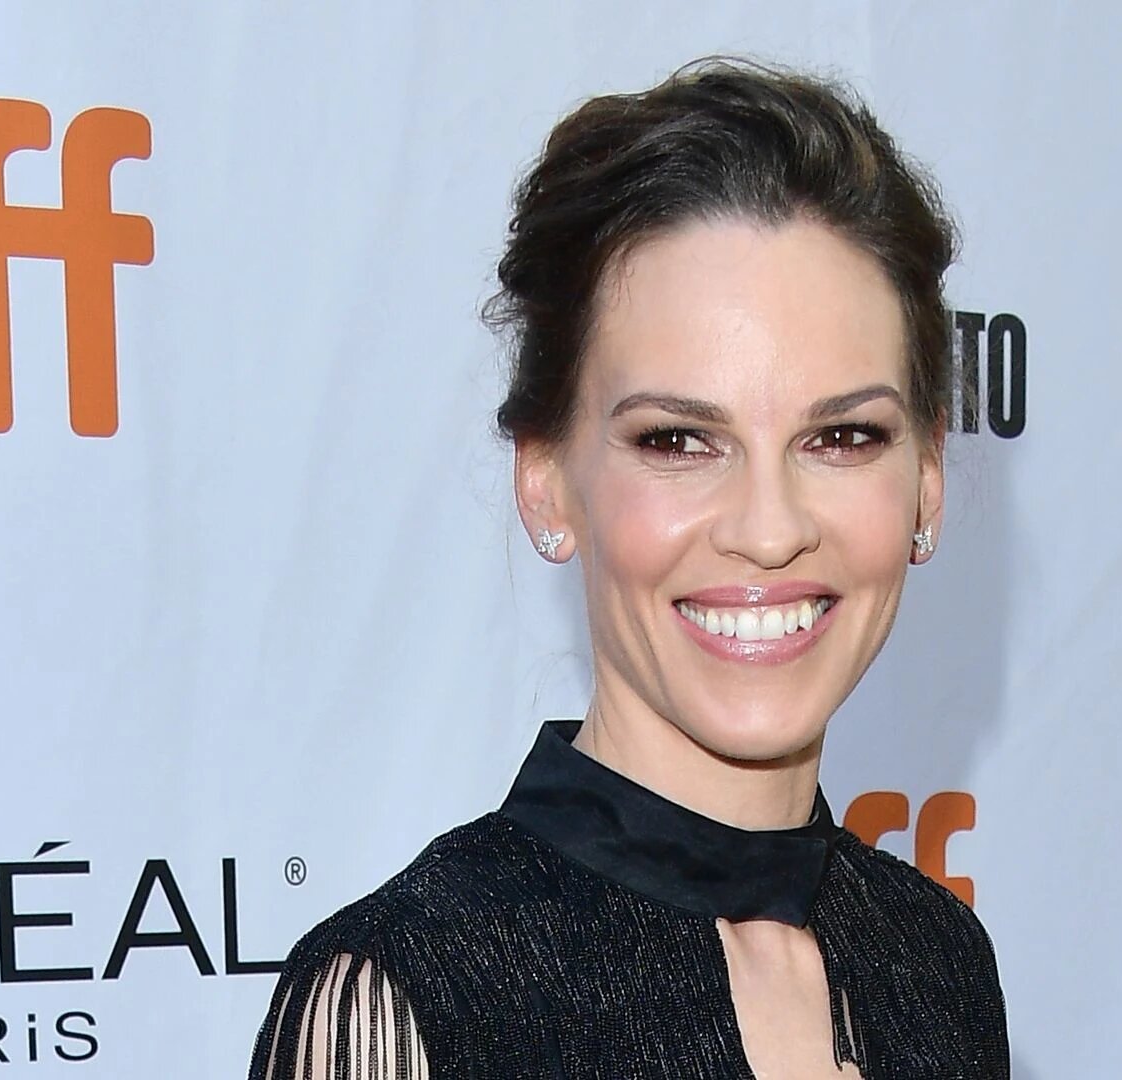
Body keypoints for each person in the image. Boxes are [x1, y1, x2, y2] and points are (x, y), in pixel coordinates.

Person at [247, 55, 1008, 1080]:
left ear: (928, 479)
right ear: (547, 482)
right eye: (678, 441)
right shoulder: (410, 995)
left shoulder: (938, 961)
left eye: (842, 437)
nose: (769, 528)